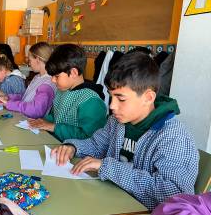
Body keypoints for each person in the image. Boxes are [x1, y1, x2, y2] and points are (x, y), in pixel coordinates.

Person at [51, 52, 199, 210]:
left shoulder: (173, 136)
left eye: (121, 98)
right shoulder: (117, 121)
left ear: (148, 97)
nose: (112, 105)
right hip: (111, 199)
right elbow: (96, 145)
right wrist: (73, 147)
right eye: (111, 96)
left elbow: (174, 192)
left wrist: (107, 167)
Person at [29, 44, 107, 141]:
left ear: (74, 73)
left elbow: (89, 137)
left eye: (57, 76)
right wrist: (43, 121)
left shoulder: (91, 101)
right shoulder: (62, 90)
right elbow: (55, 116)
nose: (53, 80)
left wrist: (53, 127)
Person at [0, 42, 56, 118]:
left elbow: (36, 110)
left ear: (38, 59)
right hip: (24, 118)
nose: (29, 64)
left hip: (31, 123)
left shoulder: (47, 84)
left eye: (30, 60)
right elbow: (27, 97)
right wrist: (9, 98)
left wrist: (9, 104)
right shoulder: (38, 77)